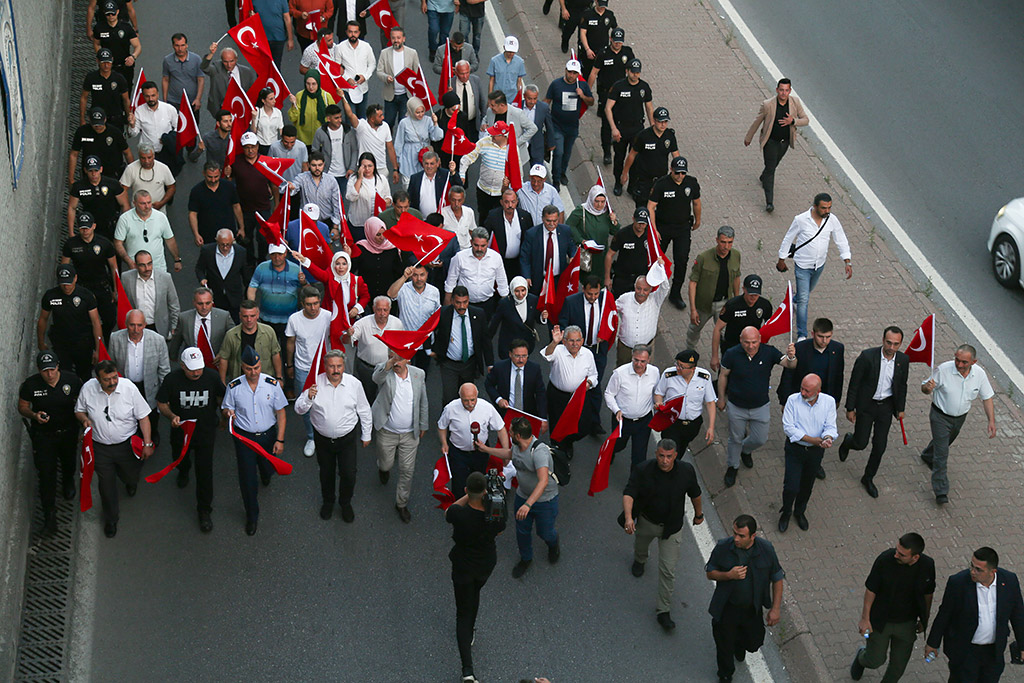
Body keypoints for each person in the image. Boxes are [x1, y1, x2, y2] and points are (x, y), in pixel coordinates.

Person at [622, 439, 704, 631]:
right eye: (661, 456)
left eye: (669, 456)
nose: (665, 461)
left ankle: (663, 610)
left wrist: (699, 515)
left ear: (675, 455)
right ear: (656, 454)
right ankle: (640, 559)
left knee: (668, 570)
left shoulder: (686, 471)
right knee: (640, 546)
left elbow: (695, 494)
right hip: (647, 522)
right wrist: (628, 518)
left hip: (672, 528)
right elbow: (629, 493)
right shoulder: (643, 470)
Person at [74, 359, 155, 538]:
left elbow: (143, 417)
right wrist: (84, 420)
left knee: (130, 474)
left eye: (114, 377)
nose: (112, 383)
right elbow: (79, 410)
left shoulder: (129, 389)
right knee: (106, 485)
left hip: (126, 445)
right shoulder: (88, 389)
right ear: (97, 379)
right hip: (100, 447)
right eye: (107, 379)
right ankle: (111, 519)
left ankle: (130, 481)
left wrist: (147, 443)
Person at [295, 349, 372, 522]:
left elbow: (364, 410)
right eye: (331, 366)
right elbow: (299, 409)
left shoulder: (354, 384)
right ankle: (328, 502)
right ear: (325, 367)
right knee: (326, 473)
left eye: (339, 366)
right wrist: (308, 397)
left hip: (347, 439)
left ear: (344, 366)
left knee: (349, 473)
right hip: (323, 440)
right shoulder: (314, 383)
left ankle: (345, 503)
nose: (335, 370)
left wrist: (366, 434)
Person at [705, 515, 785, 682]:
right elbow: (710, 572)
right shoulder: (723, 547)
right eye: (734, 533)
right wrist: (728, 575)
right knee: (724, 644)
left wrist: (775, 608)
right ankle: (725, 673)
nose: (736, 538)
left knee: (753, 642)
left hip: (751, 609)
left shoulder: (766, 550)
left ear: (753, 536)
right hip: (728, 608)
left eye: (741, 536)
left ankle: (739, 645)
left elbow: (777, 577)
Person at [478, 417, 560, 579]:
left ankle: (553, 542)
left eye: (510, 432)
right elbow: (509, 454)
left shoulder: (539, 452)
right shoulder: (517, 447)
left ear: (518, 436)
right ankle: (526, 558)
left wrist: (528, 505)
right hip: (523, 496)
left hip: (545, 501)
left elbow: (543, 481)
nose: (508, 434)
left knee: (545, 532)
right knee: (522, 531)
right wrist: (486, 450)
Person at [445, 471, 506, 683]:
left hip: (462, 566)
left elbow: (449, 511)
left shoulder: (459, 515)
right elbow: (499, 532)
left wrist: (468, 496)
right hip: (485, 564)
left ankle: (467, 670)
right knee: (476, 592)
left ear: (466, 490)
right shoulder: (494, 514)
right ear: (485, 492)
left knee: (462, 612)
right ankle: (471, 629)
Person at [849, 533, 935, 683]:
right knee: (875, 660)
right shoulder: (885, 560)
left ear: (915, 558)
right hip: (881, 621)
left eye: (902, 554)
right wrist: (865, 618)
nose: (896, 555)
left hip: (907, 624)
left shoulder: (927, 565)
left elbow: (928, 593)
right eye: (896, 550)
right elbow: (871, 589)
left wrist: (924, 619)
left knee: (898, 668)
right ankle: (862, 658)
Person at [156, 348, 226, 532]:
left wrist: (223, 415)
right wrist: (171, 416)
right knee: (180, 457)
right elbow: (161, 403)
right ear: (182, 366)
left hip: (205, 432)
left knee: (205, 472)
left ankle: (204, 510)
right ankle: (184, 469)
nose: (196, 373)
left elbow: (221, 395)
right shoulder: (172, 380)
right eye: (191, 369)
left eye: (199, 369)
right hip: (181, 433)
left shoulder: (211, 376)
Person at [718, 327, 797, 488]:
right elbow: (723, 375)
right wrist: (720, 398)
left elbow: (791, 365)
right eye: (747, 342)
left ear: (760, 339)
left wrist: (792, 356)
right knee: (735, 438)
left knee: (760, 438)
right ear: (741, 340)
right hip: (736, 405)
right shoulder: (732, 354)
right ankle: (733, 466)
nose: (751, 346)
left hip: (760, 406)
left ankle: (745, 450)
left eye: (754, 342)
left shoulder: (769, 352)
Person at [221, 346, 288, 535]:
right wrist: (228, 412)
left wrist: (280, 440)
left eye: (257, 368)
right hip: (245, 438)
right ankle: (252, 515)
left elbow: (281, 413)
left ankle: (266, 472)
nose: (254, 372)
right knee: (247, 478)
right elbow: (227, 408)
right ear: (242, 367)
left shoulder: (271, 384)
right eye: (249, 368)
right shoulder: (234, 387)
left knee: (267, 466)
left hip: (267, 436)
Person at [920, 344, 996, 505]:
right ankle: (940, 490)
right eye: (957, 360)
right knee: (942, 454)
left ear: (973, 362)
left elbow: (987, 397)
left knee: (944, 443)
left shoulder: (980, 375)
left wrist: (991, 420)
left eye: (964, 362)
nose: (959, 365)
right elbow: (925, 388)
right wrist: (927, 388)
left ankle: (927, 455)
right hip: (940, 416)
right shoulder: (943, 370)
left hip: (960, 418)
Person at [840, 327, 910, 499]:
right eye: (888, 342)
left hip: (886, 407)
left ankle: (868, 478)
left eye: (896, 344)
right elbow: (854, 384)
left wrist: (900, 408)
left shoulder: (903, 360)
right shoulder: (867, 357)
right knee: (861, 442)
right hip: (867, 405)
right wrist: (850, 408)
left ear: (900, 344)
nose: (891, 347)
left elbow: (902, 385)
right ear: (883, 340)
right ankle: (849, 441)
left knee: (880, 446)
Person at [18, 352, 83, 534]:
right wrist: (34, 415)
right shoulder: (31, 385)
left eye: (53, 369)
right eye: (45, 371)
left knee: (69, 462)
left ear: (58, 366)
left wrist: (83, 424)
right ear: (39, 370)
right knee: (46, 476)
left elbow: (83, 402)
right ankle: (50, 517)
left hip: (68, 433)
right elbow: (22, 407)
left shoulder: (72, 380)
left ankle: (68, 482)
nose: (50, 374)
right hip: (44, 437)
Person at [776, 192, 852, 340]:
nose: (827, 211)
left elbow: (840, 239)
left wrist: (847, 261)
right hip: (803, 266)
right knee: (805, 299)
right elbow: (788, 238)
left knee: (806, 292)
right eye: (824, 208)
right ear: (815, 206)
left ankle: (795, 300)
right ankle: (802, 334)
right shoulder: (800, 220)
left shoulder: (831, 220)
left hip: (819, 265)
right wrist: (781, 258)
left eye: (829, 207)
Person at [776, 317, 845, 480]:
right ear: (813, 333)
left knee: (820, 430)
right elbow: (788, 375)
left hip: (822, 399)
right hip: (801, 398)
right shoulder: (800, 348)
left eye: (828, 337)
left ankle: (815, 462)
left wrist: (837, 399)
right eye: (821, 337)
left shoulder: (837, 349)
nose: (824, 341)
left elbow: (838, 375)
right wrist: (784, 401)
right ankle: (793, 458)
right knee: (796, 427)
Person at [371, 350, 429, 522]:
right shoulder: (384, 371)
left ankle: (401, 504)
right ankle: (383, 468)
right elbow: (376, 378)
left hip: (410, 434)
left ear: (408, 360)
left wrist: (423, 423)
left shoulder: (419, 374)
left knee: (407, 470)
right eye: (391, 357)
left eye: (399, 358)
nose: (395, 362)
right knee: (386, 463)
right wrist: (389, 363)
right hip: (387, 431)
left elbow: (423, 400)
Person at [778, 374, 837, 532]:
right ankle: (786, 511)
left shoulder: (829, 402)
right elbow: (789, 429)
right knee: (791, 486)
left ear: (818, 391)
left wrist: (828, 438)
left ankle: (799, 512)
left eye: (807, 391)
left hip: (815, 452)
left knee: (807, 485)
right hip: (795, 449)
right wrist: (814, 440)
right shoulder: (792, 400)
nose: (803, 393)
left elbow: (830, 426)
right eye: (802, 388)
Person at [109, 309, 171, 447]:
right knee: (127, 416)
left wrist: (165, 394)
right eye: (132, 325)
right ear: (126, 324)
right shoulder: (115, 338)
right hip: (125, 386)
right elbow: (111, 364)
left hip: (148, 386)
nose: (136, 329)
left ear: (145, 324)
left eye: (139, 325)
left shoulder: (158, 340)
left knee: (151, 416)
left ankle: (151, 439)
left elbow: (164, 369)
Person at [744, 77, 808, 212]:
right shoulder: (768, 104)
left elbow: (806, 120)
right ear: (777, 90)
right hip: (771, 142)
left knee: (772, 166)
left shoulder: (795, 102)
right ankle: (769, 202)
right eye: (781, 90)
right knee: (772, 169)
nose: (783, 93)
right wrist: (748, 137)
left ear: (790, 91)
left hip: (784, 143)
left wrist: (793, 121)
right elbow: (757, 121)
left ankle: (764, 176)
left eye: (786, 90)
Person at [437, 383, 508, 503]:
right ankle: (460, 511)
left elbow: (501, 429)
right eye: (465, 401)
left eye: (472, 400)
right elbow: (441, 426)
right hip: (458, 453)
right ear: (460, 397)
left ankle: (478, 507)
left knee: (480, 483)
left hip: (481, 453)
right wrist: (444, 443)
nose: (470, 404)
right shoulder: (450, 408)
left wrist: (505, 452)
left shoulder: (487, 407)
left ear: (477, 395)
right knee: (459, 485)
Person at [647, 156, 701, 309]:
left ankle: (675, 293)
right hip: (663, 227)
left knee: (682, 260)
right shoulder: (661, 184)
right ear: (671, 170)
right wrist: (654, 229)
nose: (680, 176)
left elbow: (696, 202)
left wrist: (698, 220)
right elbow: (651, 206)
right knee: (657, 258)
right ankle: (651, 286)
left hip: (682, 228)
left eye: (683, 173)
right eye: (677, 173)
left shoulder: (691, 183)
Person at [558, 275, 611, 429]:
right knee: (574, 384)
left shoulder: (605, 301)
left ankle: (594, 422)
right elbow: (563, 324)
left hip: (597, 350)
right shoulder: (571, 302)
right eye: (589, 294)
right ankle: (571, 419)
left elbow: (611, 320)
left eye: (596, 294)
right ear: (583, 290)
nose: (593, 297)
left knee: (595, 385)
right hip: (576, 351)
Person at [285, 286, 331, 455]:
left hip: (325, 367)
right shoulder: (294, 319)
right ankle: (311, 437)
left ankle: (325, 432)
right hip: (303, 367)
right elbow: (290, 343)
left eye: (316, 303)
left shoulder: (328, 316)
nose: (313, 308)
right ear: (302, 303)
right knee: (306, 403)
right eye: (309, 304)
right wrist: (289, 366)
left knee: (327, 401)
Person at [37, 264, 103, 382]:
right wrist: (41, 342)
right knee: (64, 376)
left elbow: (96, 322)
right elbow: (43, 319)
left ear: (76, 278)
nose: (66, 286)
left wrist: (98, 349)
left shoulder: (86, 296)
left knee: (85, 375)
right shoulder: (50, 296)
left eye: (69, 282)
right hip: (61, 343)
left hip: (83, 342)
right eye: (63, 283)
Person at [61, 211, 119, 338]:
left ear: (94, 226)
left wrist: (116, 289)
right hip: (82, 286)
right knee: (83, 321)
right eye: (82, 227)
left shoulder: (105, 244)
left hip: (101, 285)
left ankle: (106, 340)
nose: (85, 230)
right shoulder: (71, 245)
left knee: (110, 319)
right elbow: (64, 267)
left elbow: (113, 267)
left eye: (87, 227)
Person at [432, 286, 493, 404]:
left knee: (467, 397)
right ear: (452, 301)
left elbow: (486, 340)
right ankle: (447, 421)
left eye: (465, 302)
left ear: (468, 300)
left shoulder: (478, 314)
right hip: (448, 364)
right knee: (449, 398)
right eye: (458, 302)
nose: (461, 306)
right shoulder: (443, 313)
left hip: (469, 364)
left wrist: (490, 363)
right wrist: (430, 350)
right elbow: (430, 330)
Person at [541, 325, 598, 454]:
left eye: (578, 340)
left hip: (579, 396)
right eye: (571, 340)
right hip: (558, 395)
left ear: (582, 341)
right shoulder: (558, 350)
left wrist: (589, 383)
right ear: (564, 341)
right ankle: (558, 451)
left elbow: (594, 375)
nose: (575, 344)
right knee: (557, 425)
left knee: (583, 426)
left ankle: (569, 441)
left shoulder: (587, 354)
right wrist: (554, 342)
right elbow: (546, 355)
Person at [686, 226, 741, 350]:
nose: (726, 247)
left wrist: (737, 300)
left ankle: (724, 360)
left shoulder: (736, 256)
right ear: (717, 240)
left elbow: (736, 277)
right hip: (704, 305)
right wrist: (693, 309)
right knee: (694, 330)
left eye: (730, 242)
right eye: (723, 242)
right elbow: (692, 283)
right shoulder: (703, 258)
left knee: (725, 334)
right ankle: (688, 354)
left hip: (724, 304)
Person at [653, 349, 717, 456]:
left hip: (692, 425)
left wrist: (711, 427)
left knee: (680, 450)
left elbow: (710, 402)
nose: (678, 368)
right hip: (672, 422)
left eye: (682, 367)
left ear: (693, 368)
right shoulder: (669, 374)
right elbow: (659, 393)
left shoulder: (704, 377)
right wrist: (659, 403)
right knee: (670, 452)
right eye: (677, 364)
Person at [605, 344, 659, 468]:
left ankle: (634, 485)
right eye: (636, 360)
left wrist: (658, 403)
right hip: (622, 421)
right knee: (618, 445)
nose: (639, 364)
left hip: (644, 421)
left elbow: (657, 392)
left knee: (639, 457)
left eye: (643, 361)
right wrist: (616, 410)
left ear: (648, 360)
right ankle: (609, 453)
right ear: (632, 357)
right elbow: (609, 394)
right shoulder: (619, 374)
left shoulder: (654, 372)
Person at [247, 242, 306, 353]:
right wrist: (252, 307)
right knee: (266, 350)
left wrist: (303, 282)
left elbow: (306, 291)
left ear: (285, 254)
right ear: (269, 255)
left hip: (288, 320)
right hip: (266, 319)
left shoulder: (296, 269)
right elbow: (252, 287)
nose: (277, 257)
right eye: (273, 254)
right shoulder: (261, 268)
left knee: (287, 350)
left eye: (279, 254)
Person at [605, 59, 653, 193]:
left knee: (636, 160)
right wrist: (614, 128)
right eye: (633, 72)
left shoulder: (644, 87)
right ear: (627, 71)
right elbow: (608, 108)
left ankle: (632, 186)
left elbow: (649, 108)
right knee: (619, 158)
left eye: (638, 72)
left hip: (637, 129)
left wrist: (653, 127)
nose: (635, 75)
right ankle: (618, 183)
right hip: (621, 129)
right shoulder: (619, 86)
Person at [544, 60, 594, 188]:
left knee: (567, 153)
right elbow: (547, 101)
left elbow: (591, 101)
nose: (571, 75)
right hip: (557, 126)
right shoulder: (556, 85)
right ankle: (555, 179)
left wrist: (582, 96)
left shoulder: (582, 85)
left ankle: (562, 172)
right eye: (569, 72)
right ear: (565, 70)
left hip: (572, 127)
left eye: (574, 73)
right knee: (559, 152)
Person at [587, 26, 633, 164]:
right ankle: (607, 151)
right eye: (615, 41)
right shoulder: (603, 53)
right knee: (606, 123)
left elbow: (632, 72)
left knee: (621, 119)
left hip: (622, 94)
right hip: (606, 93)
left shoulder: (627, 53)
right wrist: (588, 93)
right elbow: (594, 73)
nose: (618, 44)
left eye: (620, 41)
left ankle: (617, 141)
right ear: (610, 39)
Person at [346, 296, 404, 403]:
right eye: (379, 310)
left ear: (389, 310)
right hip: (366, 369)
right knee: (366, 399)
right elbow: (348, 340)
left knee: (388, 398)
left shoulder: (397, 323)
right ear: (373, 309)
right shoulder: (362, 323)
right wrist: (348, 335)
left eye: (385, 310)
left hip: (388, 368)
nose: (382, 313)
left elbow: (401, 345)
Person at [710, 274, 773, 371]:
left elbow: (768, 326)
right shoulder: (732, 305)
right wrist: (714, 357)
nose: (753, 298)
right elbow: (718, 329)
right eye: (750, 294)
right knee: (726, 373)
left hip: (751, 346)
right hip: (731, 345)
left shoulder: (764, 305)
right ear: (744, 289)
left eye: (756, 295)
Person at [445, 227, 510, 319]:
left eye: (483, 246)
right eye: (476, 245)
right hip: (464, 304)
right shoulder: (460, 257)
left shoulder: (496, 257)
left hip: (487, 304)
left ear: (487, 243)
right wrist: (447, 306)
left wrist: (507, 305)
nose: (479, 249)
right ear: (471, 242)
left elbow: (502, 282)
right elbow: (451, 281)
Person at [387, 263, 442, 371]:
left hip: (425, 341)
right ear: (411, 276)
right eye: (415, 275)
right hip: (406, 341)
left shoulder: (434, 291)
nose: (419, 279)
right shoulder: (403, 289)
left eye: (422, 275)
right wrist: (404, 277)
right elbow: (391, 293)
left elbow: (437, 315)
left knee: (422, 374)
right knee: (403, 373)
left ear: (427, 274)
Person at [620, 106, 679, 206]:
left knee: (661, 207)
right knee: (642, 207)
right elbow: (632, 155)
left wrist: (677, 174)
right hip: (644, 179)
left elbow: (676, 155)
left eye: (665, 121)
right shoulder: (644, 136)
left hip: (661, 179)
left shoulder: (669, 136)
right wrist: (625, 173)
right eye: (660, 121)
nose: (663, 124)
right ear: (654, 121)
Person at [455, 120, 513, 220]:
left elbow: (517, 171)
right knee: (483, 217)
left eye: (495, 134)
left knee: (499, 220)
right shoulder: (484, 142)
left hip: (501, 193)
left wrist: (512, 188)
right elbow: (467, 157)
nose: (492, 136)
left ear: (503, 135)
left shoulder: (512, 148)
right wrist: (462, 174)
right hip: (483, 190)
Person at [217, 300, 284, 385]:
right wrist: (222, 383)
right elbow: (224, 359)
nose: (249, 320)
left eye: (252, 316)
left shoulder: (269, 332)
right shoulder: (231, 335)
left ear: (258, 314)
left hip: (264, 380)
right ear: (240, 316)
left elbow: (275, 354)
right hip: (239, 382)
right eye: (245, 316)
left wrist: (279, 377)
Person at [114, 190, 183, 272]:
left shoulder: (160, 217)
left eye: (149, 202)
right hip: (136, 268)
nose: (147, 206)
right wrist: (129, 261)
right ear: (134, 203)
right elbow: (118, 243)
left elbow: (170, 240)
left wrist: (177, 259)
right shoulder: (125, 219)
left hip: (159, 267)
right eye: (143, 203)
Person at [120, 250, 181, 340]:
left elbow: (174, 304)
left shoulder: (165, 278)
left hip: (159, 327)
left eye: (149, 264)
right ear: (136, 265)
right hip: (136, 328)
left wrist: (174, 326)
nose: (147, 268)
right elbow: (122, 304)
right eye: (142, 265)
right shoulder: (126, 278)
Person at [67, 155, 130, 240]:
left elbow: (125, 205)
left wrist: (124, 227)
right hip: (89, 226)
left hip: (111, 225)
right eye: (90, 171)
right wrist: (71, 232)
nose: (94, 174)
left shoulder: (112, 184)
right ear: (85, 170)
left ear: (101, 169)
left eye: (96, 170)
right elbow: (72, 208)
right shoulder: (79, 186)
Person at [615, 273, 668, 367]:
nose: (641, 292)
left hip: (647, 348)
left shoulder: (655, 300)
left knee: (645, 373)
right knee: (622, 370)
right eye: (638, 288)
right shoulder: (624, 298)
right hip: (625, 348)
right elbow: (611, 310)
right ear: (634, 286)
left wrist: (660, 268)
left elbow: (665, 287)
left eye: (645, 290)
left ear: (651, 290)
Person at [520, 205, 575, 296]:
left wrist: (573, 256)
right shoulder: (532, 234)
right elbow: (525, 257)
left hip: (559, 278)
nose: (552, 224)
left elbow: (571, 247)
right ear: (542, 219)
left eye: (555, 221)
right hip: (539, 279)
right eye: (548, 220)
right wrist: (527, 276)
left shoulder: (565, 231)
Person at [69, 108, 132, 186]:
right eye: (95, 124)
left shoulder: (115, 132)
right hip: (91, 174)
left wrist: (132, 173)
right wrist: (71, 179)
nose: (98, 126)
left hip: (112, 175)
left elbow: (127, 152)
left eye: (100, 124)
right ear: (89, 120)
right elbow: (74, 154)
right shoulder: (82, 132)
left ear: (105, 119)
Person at [195, 229, 248, 322]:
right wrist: (202, 278)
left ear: (233, 240)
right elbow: (199, 268)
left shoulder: (241, 252)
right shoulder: (207, 251)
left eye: (228, 244)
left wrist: (248, 295)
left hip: (234, 297)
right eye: (222, 244)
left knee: (235, 323)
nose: (225, 247)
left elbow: (245, 274)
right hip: (215, 296)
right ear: (216, 241)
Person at [188, 162, 244, 246]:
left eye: (216, 176)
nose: (213, 180)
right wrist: (196, 234)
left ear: (220, 173)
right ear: (204, 173)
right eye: (210, 177)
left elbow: (236, 206)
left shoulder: (229, 187)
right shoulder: (196, 191)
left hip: (228, 234)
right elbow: (193, 214)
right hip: (207, 236)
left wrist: (241, 228)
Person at [375, 26, 420, 131]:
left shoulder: (412, 53)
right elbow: (379, 71)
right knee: (388, 122)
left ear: (403, 39)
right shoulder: (384, 53)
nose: (396, 40)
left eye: (398, 38)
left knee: (403, 123)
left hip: (406, 95)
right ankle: (388, 144)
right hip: (391, 95)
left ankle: (401, 146)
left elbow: (417, 73)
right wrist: (386, 77)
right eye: (393, 38)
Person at [169, 286, 232, 361]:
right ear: (194, 303)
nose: (204, 307)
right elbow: (176, 341)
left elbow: (232, 339)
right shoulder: (184, 318)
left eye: (207, 303)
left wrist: (223, 354)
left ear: (212, 302)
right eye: (200, 303)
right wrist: (172, 357)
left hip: (217, 362)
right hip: (193, 362)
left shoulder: (224, 316)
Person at [568, 185, 618, 277]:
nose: (600, 205)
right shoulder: (581, 211)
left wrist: (614, 221)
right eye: (597, 201)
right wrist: (581, 240)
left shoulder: (607, 213)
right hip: (587, 254)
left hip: (602, 255)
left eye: (602, 202)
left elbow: (615, 232)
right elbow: (570, 225)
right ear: (591, 199)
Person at [604, 206, 654, 298]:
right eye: (639, 222)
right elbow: (609, 255)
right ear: (633, 219)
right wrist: (607, 277)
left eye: (644, 223)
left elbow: (655, 256)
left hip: (641, 279)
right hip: (622, 278)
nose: (641, 226)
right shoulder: (622, 234)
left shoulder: (651, 236)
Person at [483, 189, 533, 280]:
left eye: (513, 202)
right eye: (506, 202)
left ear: (517, 202)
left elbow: (529, 240)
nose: (510, 205)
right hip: (500, 262)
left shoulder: (525, 216)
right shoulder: (493, 216)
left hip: (518, 263)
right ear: (501, 202)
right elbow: (485, 236)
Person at [488, 279, 542, 360]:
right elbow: (494, 324)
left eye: (523, 290)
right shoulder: (504, 303)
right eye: (517, 291)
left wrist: (543, 317)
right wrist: (486, 342)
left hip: (527, 344)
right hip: (509, 346)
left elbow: (537, 318)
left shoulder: (533, 300)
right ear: (512, 290)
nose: (520, 294)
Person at [394, 97, 444, 185]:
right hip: (409, 153)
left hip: (424, 152)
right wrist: (398, 160)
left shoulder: (428, 120)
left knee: (425, 180)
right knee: (409, 181)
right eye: (417, 112)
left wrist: (435, 123)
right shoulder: (404, 123)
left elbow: (437, 136)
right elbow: (399, 142)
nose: (421, 114)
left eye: (422, 111)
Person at [353, 216, 405, 300]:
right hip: (366, 296)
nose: (382, 238)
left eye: (384, 234)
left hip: (388, 296)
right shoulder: (360, 248)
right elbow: (351, 270)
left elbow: (398, 272)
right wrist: (348, 256)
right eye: (378, 234)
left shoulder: (392, 249)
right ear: (370, 233)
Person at [290, 152, 343, 231]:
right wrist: (291, 186)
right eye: (314, 165)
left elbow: (336, 204)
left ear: (324, 164)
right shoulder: (302, 178)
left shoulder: (331, 180)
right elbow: (294, 187)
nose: (317, 168)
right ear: (308, 165)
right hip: (308, 222)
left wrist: (335, 227)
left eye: (320, 165)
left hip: (326, 222)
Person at [128, 82, 179, 164]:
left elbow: (178, 127)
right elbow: (133, 134)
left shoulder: (169, 109)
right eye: (147, 96)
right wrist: (132, 125)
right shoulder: (139, 111)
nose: (151, 99)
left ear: (158, 94)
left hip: (166, 151)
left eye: (153, 95)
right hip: (148, 154)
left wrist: (169, 138)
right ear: (143, 96)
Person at [345, 152, 393, 239]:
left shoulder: (381, 179)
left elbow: (388, 197)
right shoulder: (353, 179)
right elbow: (351, 197)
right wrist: (360, 178)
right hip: (359, 223)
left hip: (377, 223)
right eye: (364, 166)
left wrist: (385, 202)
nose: (367, 169)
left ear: (374, 166)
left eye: (370, 166)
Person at [335, 20, 376, 120]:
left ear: (359, 32)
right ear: (346, 32)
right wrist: (346, 78)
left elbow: (372, 64)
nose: (353, 34)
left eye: (355, 32)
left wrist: (365, 77)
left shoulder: (366, 47)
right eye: (350, 32)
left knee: (362, 118)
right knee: (350, 118)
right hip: (347, 89)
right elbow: (336, 67)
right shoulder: (340, 48)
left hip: (363, 88)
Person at [480, 90, 538, 161]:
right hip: (495, 154)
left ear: (502, 105)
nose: (490, 107)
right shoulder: (490, 111)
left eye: (492, 105)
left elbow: (533, 128)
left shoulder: (517, 113)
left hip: (514, 156)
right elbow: (486, 118)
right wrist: (483, 124)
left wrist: (517, 142)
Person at [201, 46, 256, 119]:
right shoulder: (216, 70)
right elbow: (204, 68)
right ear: (221, 60)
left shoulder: (246, 72)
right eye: (225, 62)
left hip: (242, 109)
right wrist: (211, 53)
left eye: (231, 61)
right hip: (223, 110)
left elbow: (252, 92)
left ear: (236, 59)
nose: (229, 65)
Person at [92, 0, 141, 83]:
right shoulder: (99, 28)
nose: (111, 16)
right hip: (108, 68)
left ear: (117, 12)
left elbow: (138, 46)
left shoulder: (126, 27)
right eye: (108, 14)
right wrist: (102, 57)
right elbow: (96, 43)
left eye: (113, 13)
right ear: (104, 13)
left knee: (126, 90)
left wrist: (133, 57)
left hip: (124, 66)